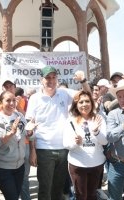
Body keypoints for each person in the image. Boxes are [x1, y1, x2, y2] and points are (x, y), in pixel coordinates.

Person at [26, 66, 91, 200]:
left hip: (64, 148)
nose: (51, 80)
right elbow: (30, 127)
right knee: (45, 189)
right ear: (41, 80)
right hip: (44, 149)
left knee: (58, 188)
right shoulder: (34, 98)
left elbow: (87, 96)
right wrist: (32, 150)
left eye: (53, 77)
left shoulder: (64, 93)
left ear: (57, 79)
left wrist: (83, 80)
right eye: (47, 77)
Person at [63, 90, 108, 200]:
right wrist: (75, 142)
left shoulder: (99, 118)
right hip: (77, 164)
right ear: (76, 105)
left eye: (87, 101)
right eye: (81, 102)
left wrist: (97, 132)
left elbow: (105, 142)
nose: (84, 105)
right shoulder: (71, 121)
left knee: (93, 195)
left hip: (96, 164)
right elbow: (66, 144)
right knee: (81, 196)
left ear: (92, 103)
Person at [0, 91, 27, 200]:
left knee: (15, 197)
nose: (12, 103)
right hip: (3, 168)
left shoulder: (19, 115)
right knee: (12, 197)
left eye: (13, 100)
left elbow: (27, 135)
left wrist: (31, 133)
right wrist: (9, 134)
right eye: (8, 100)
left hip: (20, 166)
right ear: (0, 103)